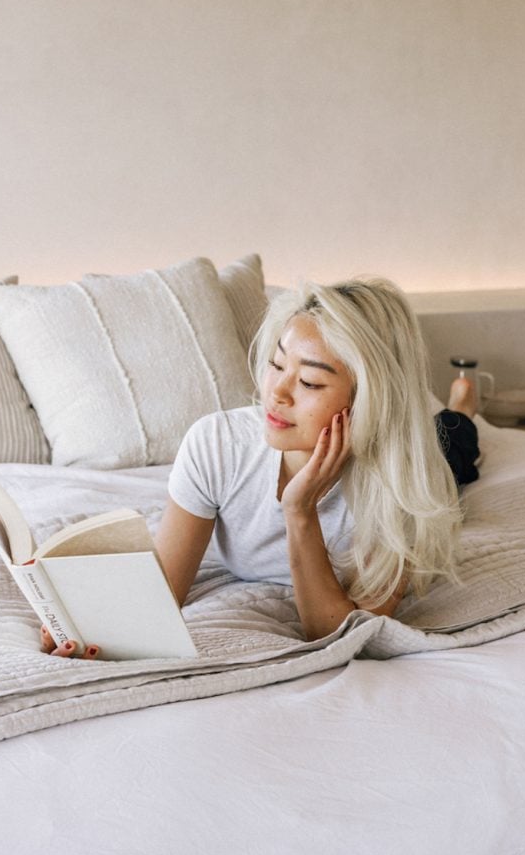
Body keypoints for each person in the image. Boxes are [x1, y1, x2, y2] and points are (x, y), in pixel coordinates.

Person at [43, 277, 480, 656]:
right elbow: (161, 595)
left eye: (309, 382)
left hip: (420, 451)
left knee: (454, 442)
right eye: (276, 364)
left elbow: (337, 634)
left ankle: (462, 404)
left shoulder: (403, 484)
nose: (278, 394)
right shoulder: (217, 445)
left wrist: (300, 511)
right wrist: (84, 628)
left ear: (369, 398)